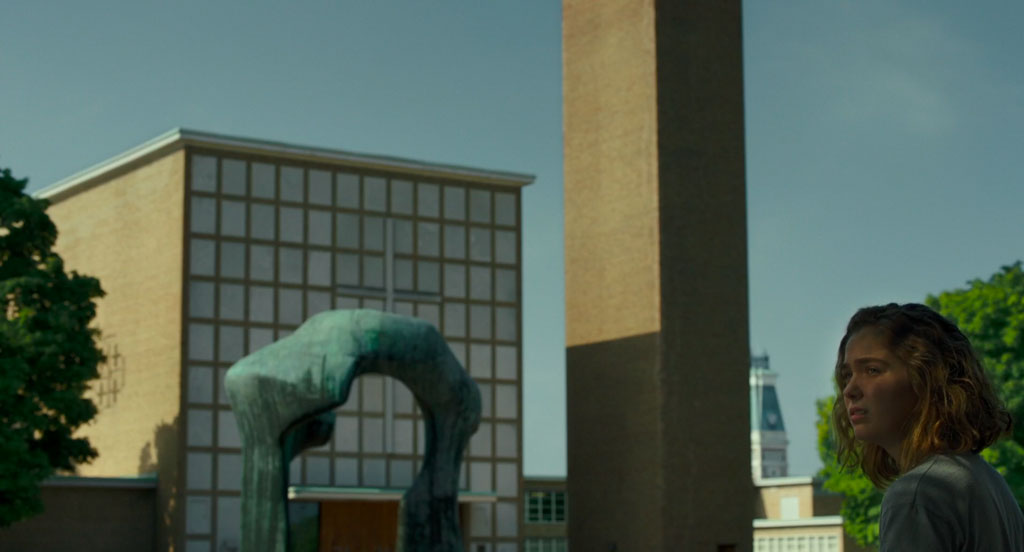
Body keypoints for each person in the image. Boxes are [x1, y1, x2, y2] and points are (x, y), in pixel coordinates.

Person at [832, 302, 1024, 551]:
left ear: (927, 379)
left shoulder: (918, 495)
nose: (850, 390)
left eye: (872, 370)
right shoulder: (989, 481)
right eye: (848, 375)